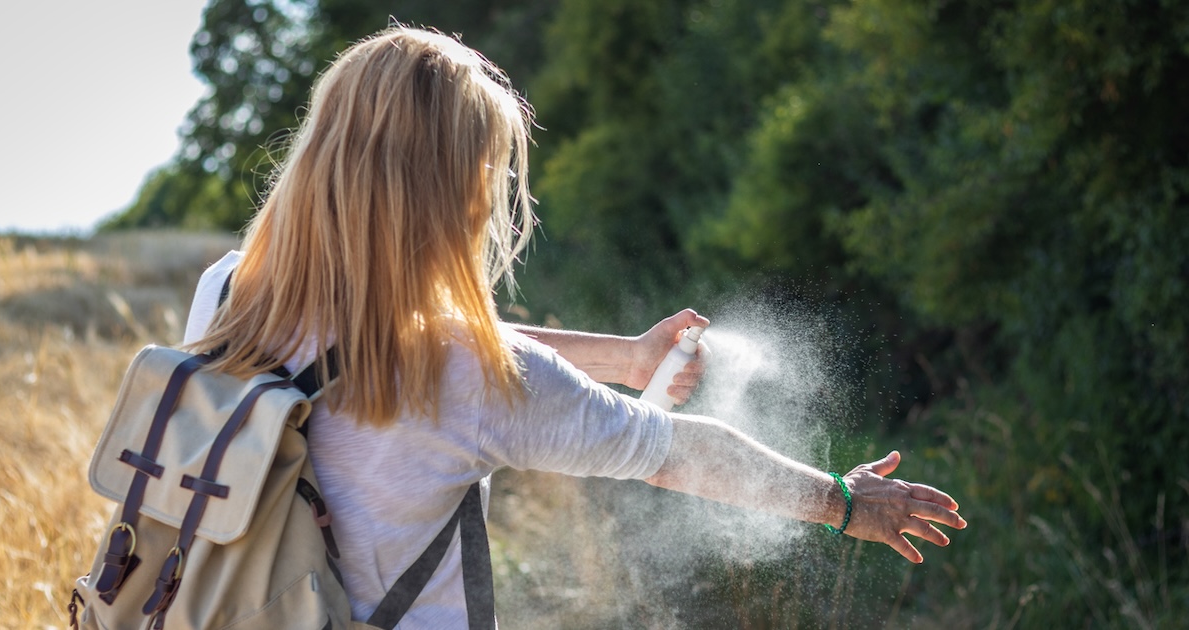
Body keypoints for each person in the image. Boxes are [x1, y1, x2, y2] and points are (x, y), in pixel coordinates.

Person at [183, 25, 966, 629]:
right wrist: (844, 501)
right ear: (452, 189)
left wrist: (627, 358)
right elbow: (680, 452)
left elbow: (422, 341)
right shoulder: (466, 374)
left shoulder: (230, 289)